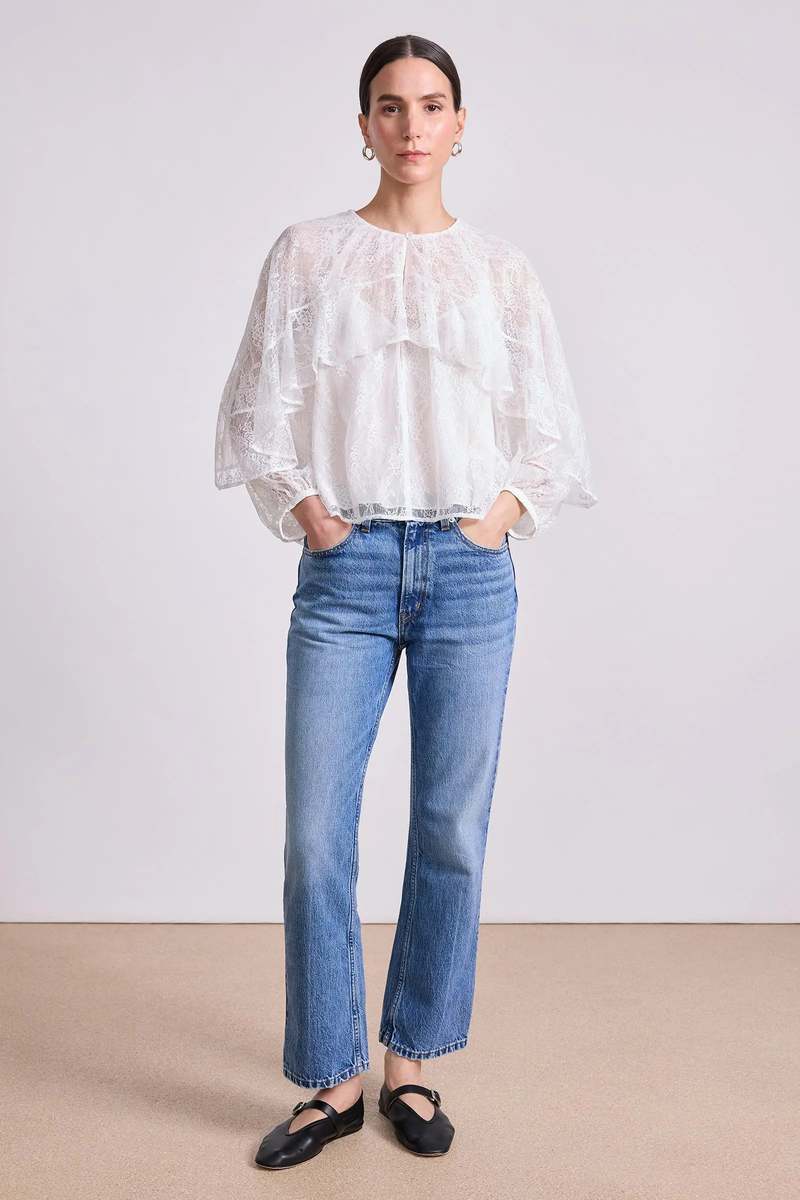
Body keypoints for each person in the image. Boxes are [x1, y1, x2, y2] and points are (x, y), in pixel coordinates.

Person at [214, 33, 598, 1171]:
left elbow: (551, 432)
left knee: (449, 830)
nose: (412, 126)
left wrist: (495, 517)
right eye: (390, 106)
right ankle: (330, 1080)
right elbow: (255, 407)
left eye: (432, 106)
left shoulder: (499, 271)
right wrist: (313, 515)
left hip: (468, 571)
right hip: (346, 570)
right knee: (313, 836)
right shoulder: (309, 254)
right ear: (364, 125)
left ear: (460, 125)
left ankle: (410, 1064)